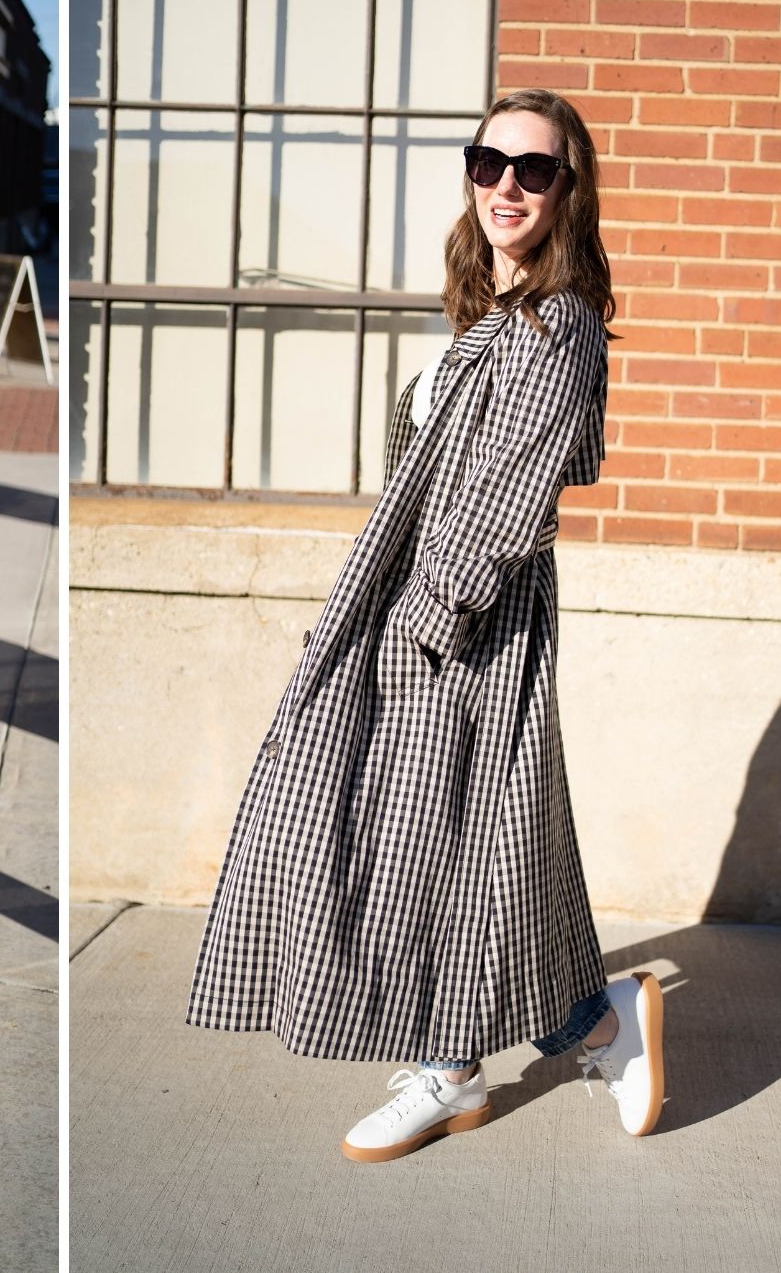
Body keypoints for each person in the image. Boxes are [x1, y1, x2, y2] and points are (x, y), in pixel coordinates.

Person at [184, 89, 664, 1160]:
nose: (503, 185)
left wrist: (425, 619)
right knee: (476, 839)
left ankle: (451, 1068)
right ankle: (585, 1021)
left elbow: (506, 494)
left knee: (432, 836)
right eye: (486, 161)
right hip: (416, 600)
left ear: (565, 190)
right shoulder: (491, 313)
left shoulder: (559, 323)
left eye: (531, 170)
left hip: (459, 617)